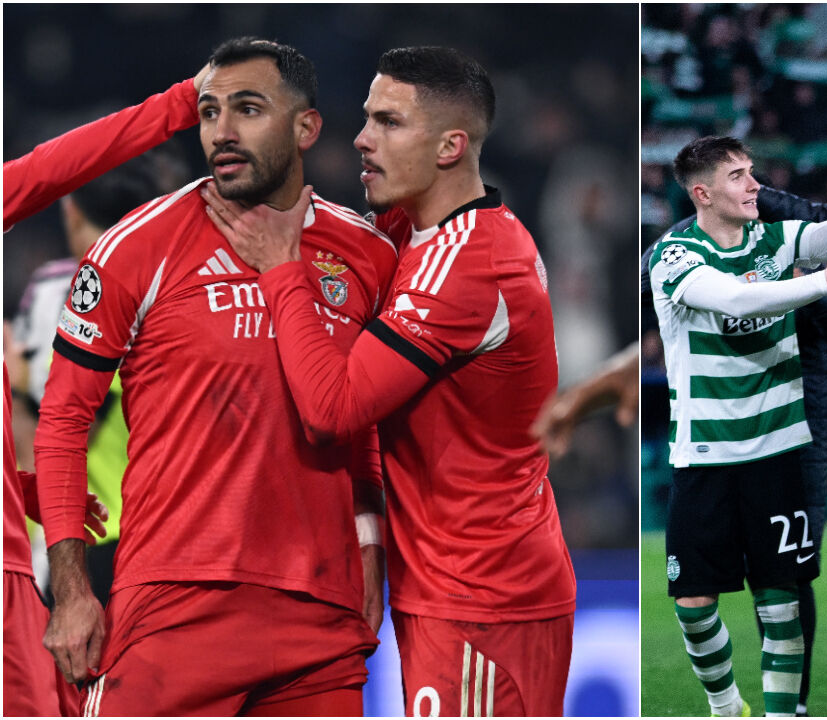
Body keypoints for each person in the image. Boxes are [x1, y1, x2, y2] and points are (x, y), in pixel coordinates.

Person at [202, 46, 578, 717]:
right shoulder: (420, 230)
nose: (362, 139)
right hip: (463, 579)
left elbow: (333, 408)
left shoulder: (466, 268)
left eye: (389, 123)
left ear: (449, 146)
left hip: (480, 595)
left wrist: (282, 268)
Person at [35, 38, 394, 715]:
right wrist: (74, 588)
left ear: (306, 127)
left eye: (248, 109)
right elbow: (61, 422)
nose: (221, 132)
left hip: (320, 618)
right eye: (208, 112)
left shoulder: (367, 255)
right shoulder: (134, 249)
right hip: (173, 607)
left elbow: (360, 416)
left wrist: (370, 538)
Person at [631, 135, 827, 717]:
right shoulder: (675, 255)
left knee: (780, 599)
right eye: (738, 176)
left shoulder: (773, 236)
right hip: (706, 454)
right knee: (693, 603)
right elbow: (741, 303)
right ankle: (725, 703)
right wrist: (824, 282)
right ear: (703, 193)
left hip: (779, 451)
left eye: (751, 172)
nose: (754, 185)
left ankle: (778, 713)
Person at [2, 62, 210, 718]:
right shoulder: (198, 282)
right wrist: (181, 100)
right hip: (152, 542)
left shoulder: (53, 291)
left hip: (66, 544)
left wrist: (25, 490)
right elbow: (55, 165)